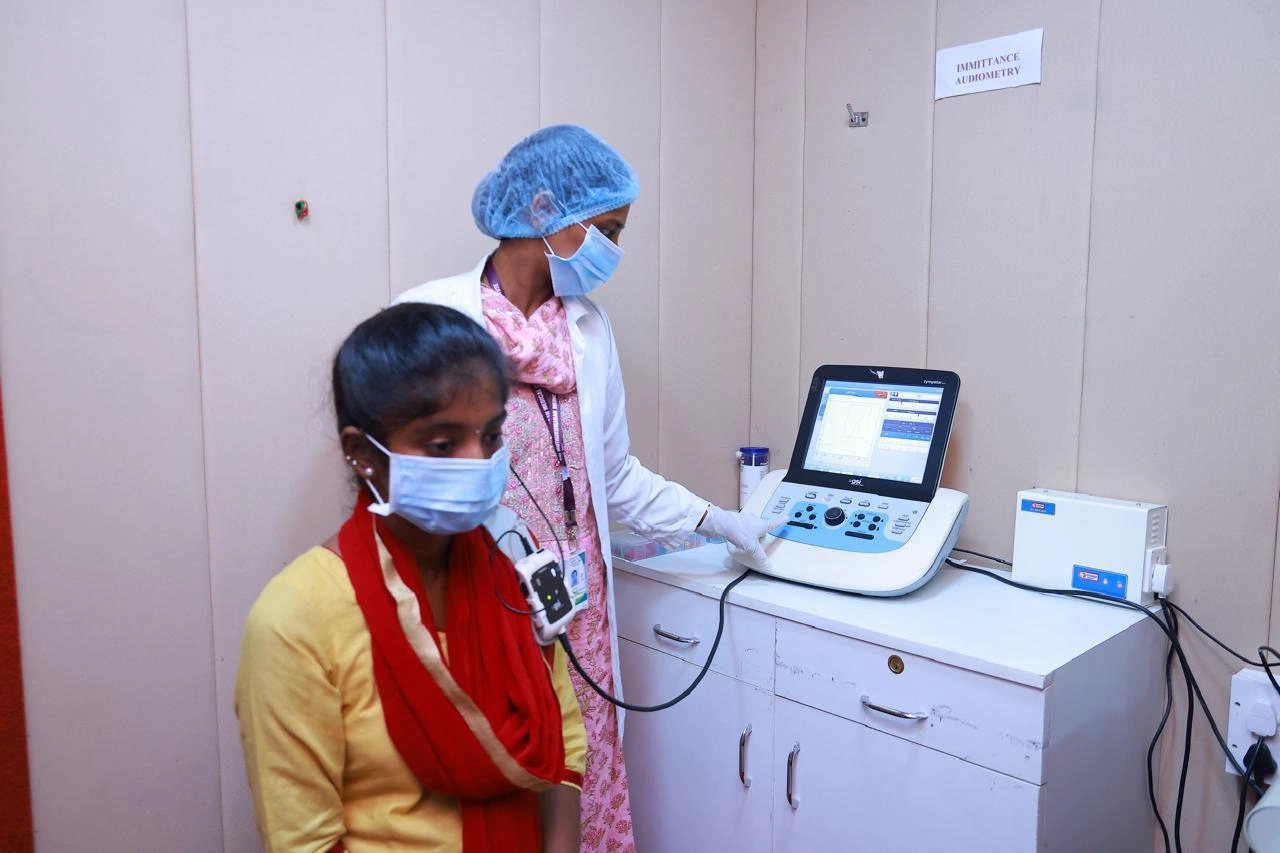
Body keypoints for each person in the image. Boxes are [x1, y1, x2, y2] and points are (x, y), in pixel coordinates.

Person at [395, 124, 771, 851]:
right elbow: (407, 476)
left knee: (579, 786)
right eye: (608, 230)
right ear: (543, 210)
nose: (613, 251)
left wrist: (716, 519)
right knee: (487, 797)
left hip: (579, 615)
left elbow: (616, 477)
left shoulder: (589, 330)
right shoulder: (433, 320)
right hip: (479, 601)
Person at [236, 303, 585, 853]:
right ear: (361, 453)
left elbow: (563, 748)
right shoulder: (296, 617)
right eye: (443, 445)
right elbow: (303, 839)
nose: (477, 462)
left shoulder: (511, 573)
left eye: (491, 436)